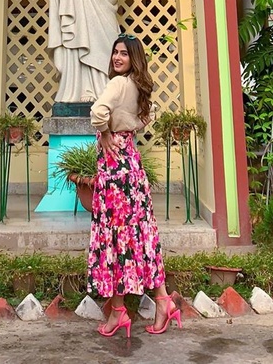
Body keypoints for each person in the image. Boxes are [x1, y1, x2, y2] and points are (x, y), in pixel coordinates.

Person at [87, 34, 182, 337]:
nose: (117, 58)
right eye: (115, 52)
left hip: (115, 167)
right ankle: (163, 301)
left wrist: (105, 133)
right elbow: (148, 116)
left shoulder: (117, 84)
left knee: (114, 237)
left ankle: (118, 312)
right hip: (131, 161)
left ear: (133, 59)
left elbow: (97, 112)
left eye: (124, 54)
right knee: (139, 233)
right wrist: (125, 129)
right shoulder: (138, 87)